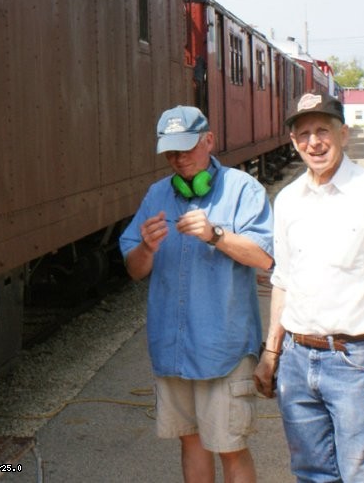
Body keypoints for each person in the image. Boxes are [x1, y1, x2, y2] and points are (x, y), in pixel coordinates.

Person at [253, 92, 364, 483]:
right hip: (295, 359)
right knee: (310, 473)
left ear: (343, 133)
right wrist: (271, 353)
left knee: (361, 473)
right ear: (293, 142)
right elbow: (283, 279)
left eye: (323, 130)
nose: (314, 142)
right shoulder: (287, 200)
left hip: (352, 360)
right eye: (303, 134)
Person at [120, 105, 274, 483]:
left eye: (187, 147)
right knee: (190, 442)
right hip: (172, 347)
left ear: (209, 140)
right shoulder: (157, 195)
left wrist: (215, 235)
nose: (179, 158)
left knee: (230, 447)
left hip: (223, 349)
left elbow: (265, 258)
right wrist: (146, 249)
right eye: (170, 151)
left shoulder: (242, 189)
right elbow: (134, 270)